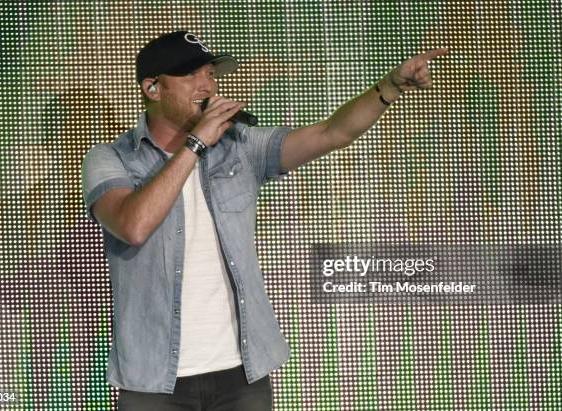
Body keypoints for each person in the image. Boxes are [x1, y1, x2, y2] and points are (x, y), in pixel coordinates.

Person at [81, 30, 447, 410]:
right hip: (153, 381)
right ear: (153, 89)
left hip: (241, 376)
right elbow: (132, 225)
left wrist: (389, 87)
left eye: (211, 73)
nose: (208, 85)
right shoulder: (111, 158)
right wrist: (195, 145)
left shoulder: (240, 147)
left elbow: (331, 133)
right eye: (191, 75)